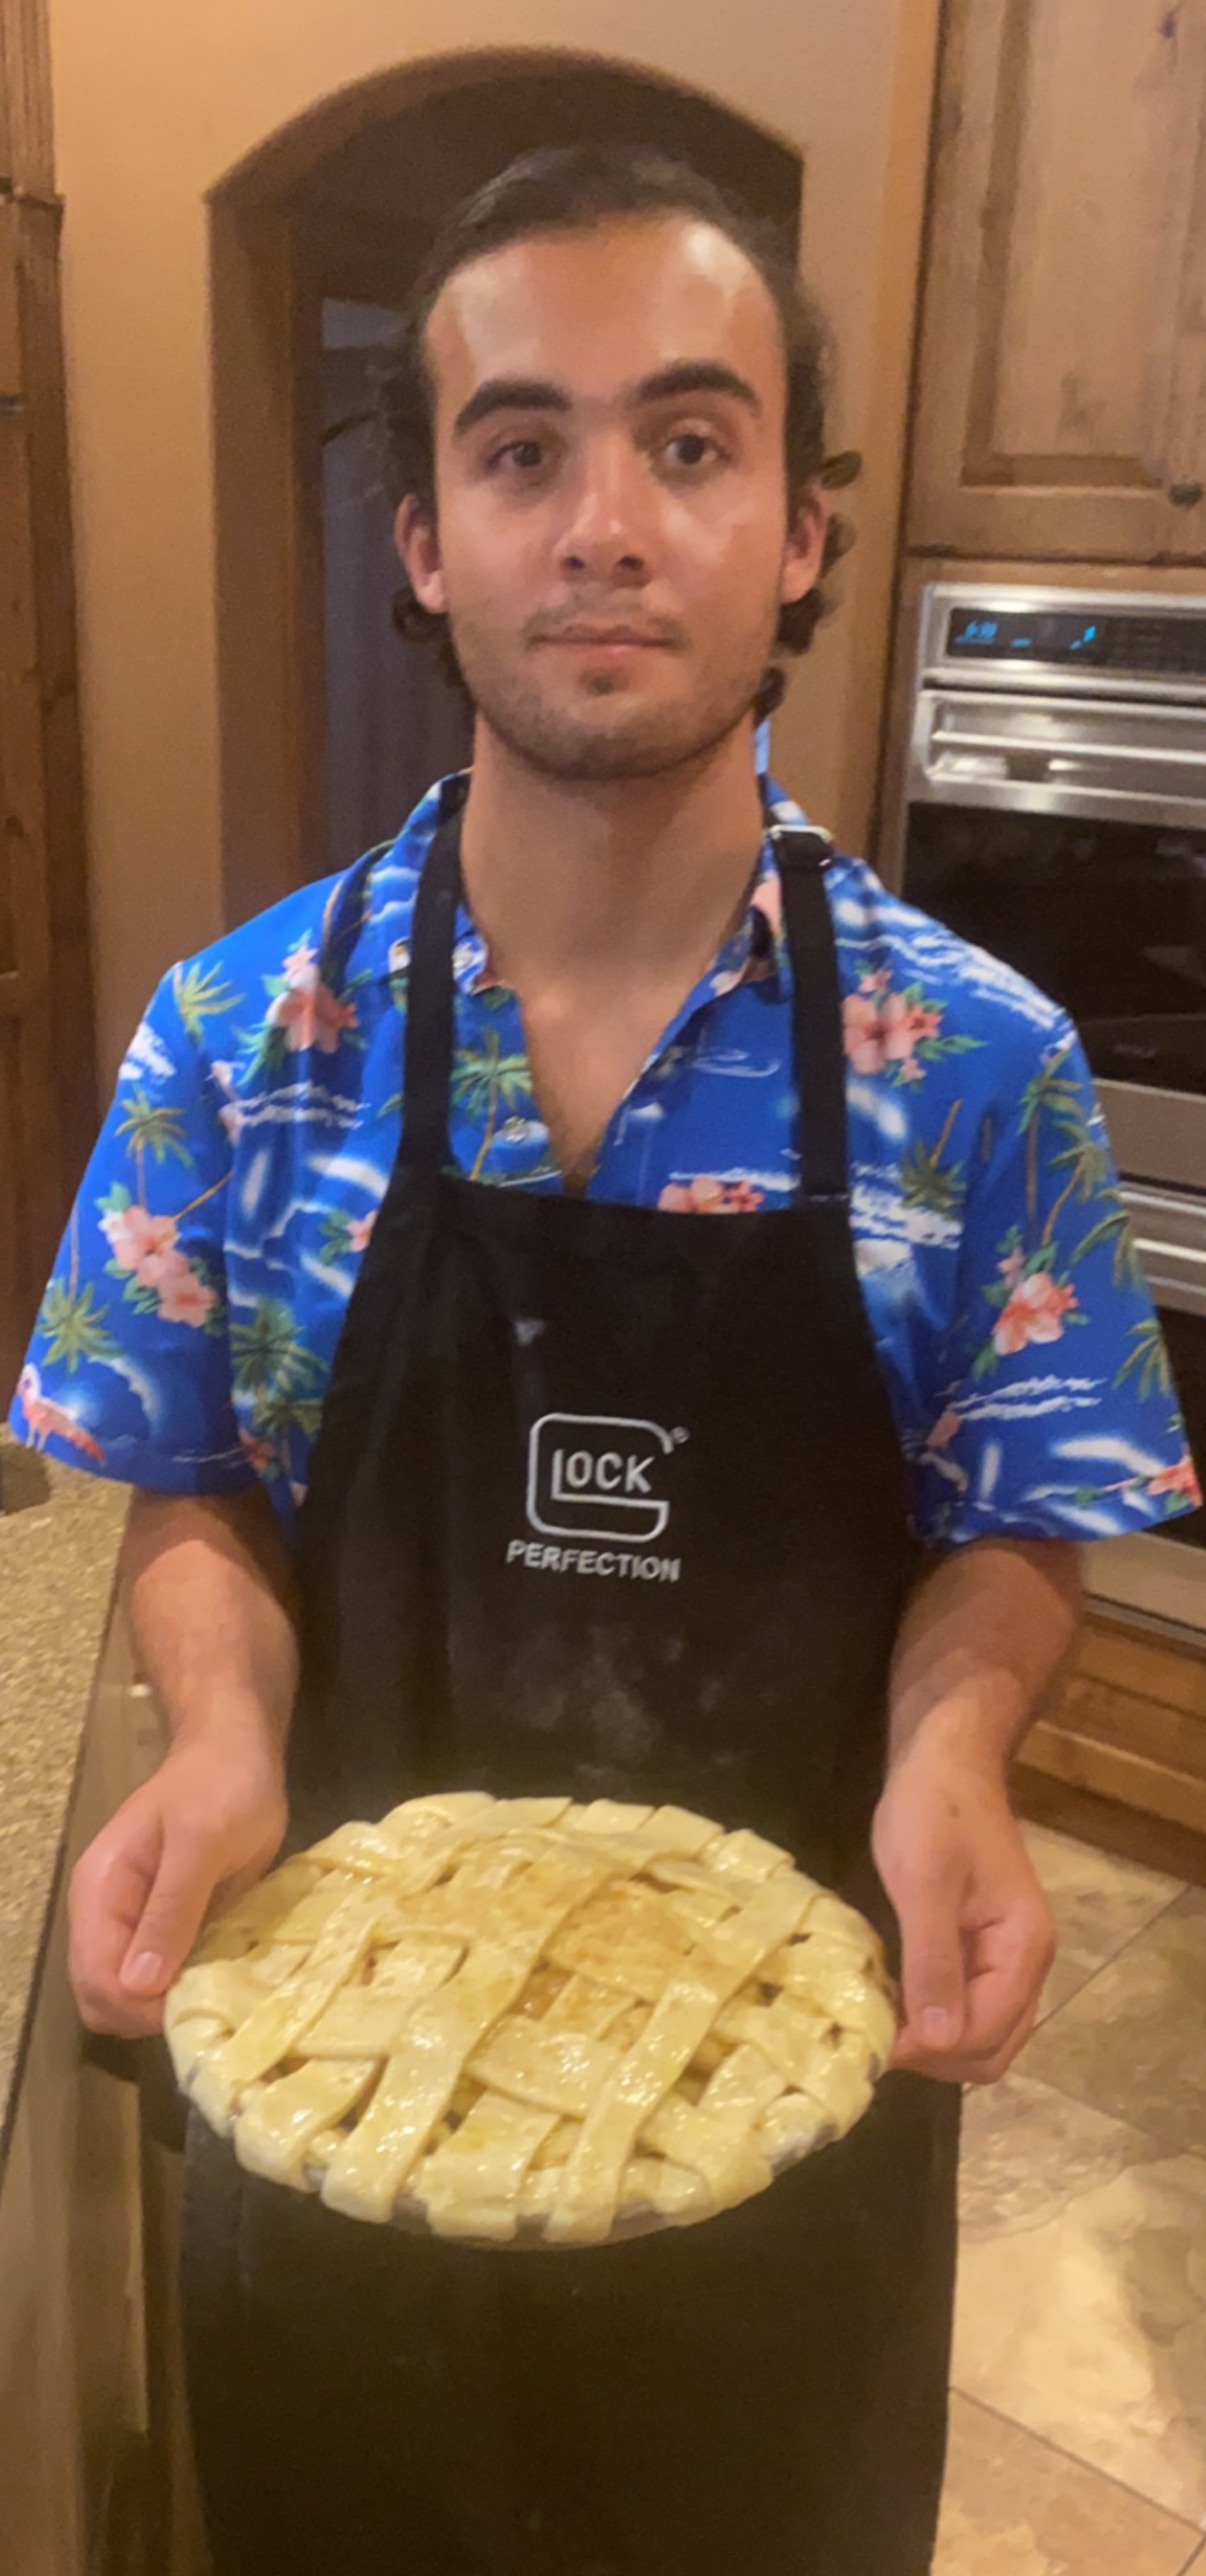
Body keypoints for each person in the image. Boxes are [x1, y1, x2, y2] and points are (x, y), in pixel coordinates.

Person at [16, 147, 1199, 2576]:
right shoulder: (243, 1041)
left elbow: (1013, 1517)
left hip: (766, 2118)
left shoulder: (975, 1074)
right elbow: (201, 1480)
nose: (604, 522)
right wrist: (223, 1738)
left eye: (688, 438)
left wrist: (958, 1749)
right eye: (520, 447)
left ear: (801, 530)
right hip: (343, 2089)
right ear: (429, 541)